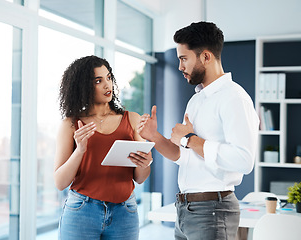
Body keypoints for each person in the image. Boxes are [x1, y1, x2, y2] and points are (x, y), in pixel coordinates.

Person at [137, 21, 259, 240]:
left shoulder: (234, 98)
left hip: (213, 210)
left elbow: (244, 159)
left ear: (205, 57)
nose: (180, 66)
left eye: (184, 59)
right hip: (186, 210)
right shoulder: (196, 101)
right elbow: (184, 155)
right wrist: (154, 136)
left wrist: (190, 139)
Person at [54, 55, 153, 240]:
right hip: (82, 211)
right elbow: (60, 182)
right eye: (98, 81)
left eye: (108, 77)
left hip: (125, 212)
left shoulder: (132, 119)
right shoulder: (70, 124)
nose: (108, 85)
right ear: (83, 86)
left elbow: (140, 178)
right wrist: (80, 150)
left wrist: (145, 162)